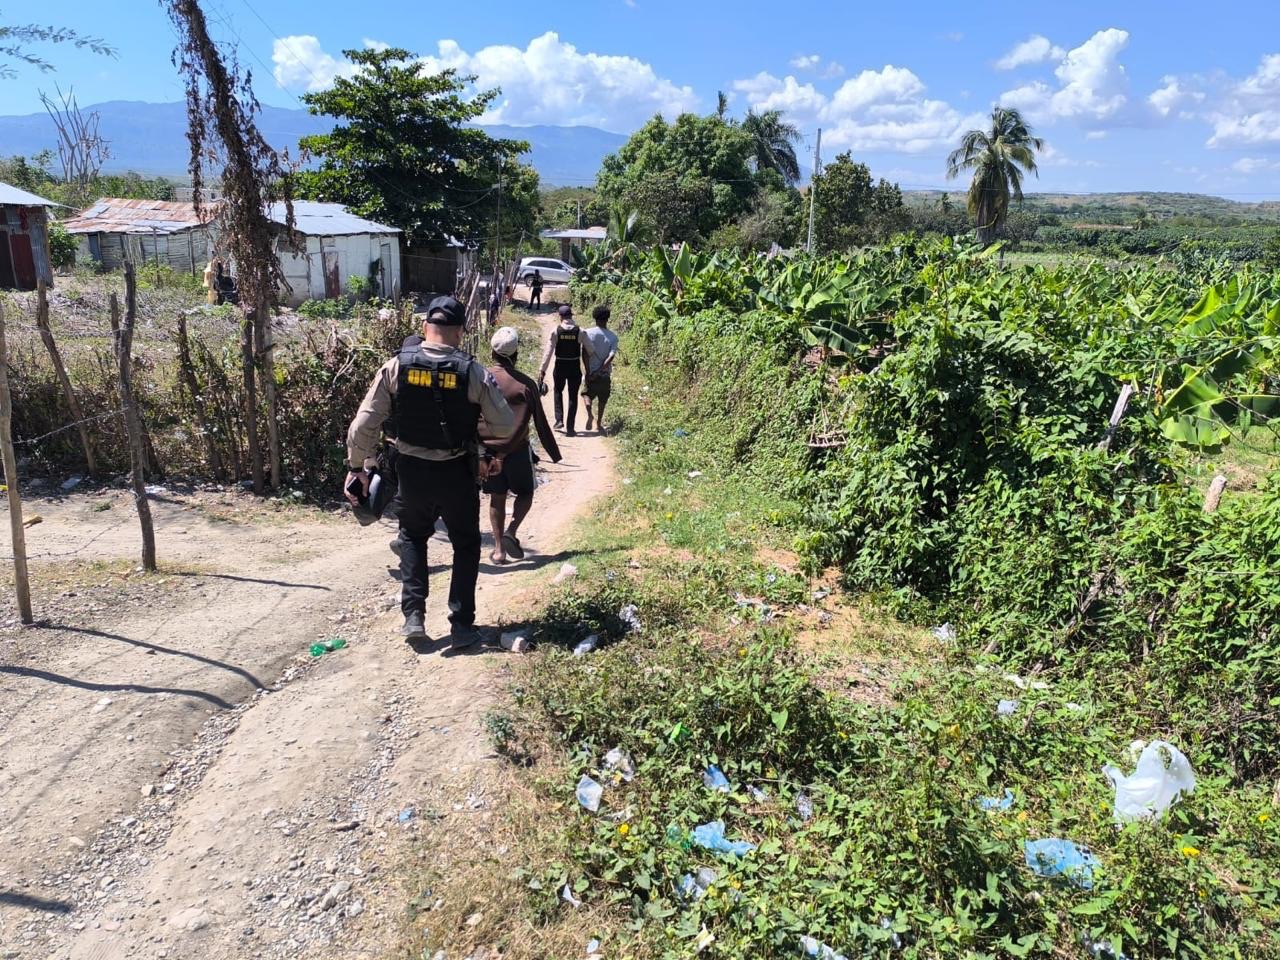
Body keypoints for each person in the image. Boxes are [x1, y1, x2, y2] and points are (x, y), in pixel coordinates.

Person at [345, 295, 515, 644]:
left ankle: (414, 617)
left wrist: (356, 467)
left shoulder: (396, 366)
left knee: (412, 537)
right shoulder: (473, 371)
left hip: (411, 471)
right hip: (456, 471)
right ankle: (462, 625)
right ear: (460, 332)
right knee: (465, 544)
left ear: (425, 328)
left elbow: (362, 425)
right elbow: (503, 425)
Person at [479, 326, 562, 565]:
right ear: (515, 355)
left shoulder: (482, 378)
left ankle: (498, 550)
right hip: (517, 451)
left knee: (497, 496)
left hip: (489, 452)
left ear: (492, 352)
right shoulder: (525, 385)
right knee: (525, 492)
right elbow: (540, 422)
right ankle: (511, 532)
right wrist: (553, 452)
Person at [538, 304, 583, 435]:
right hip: (574, 366)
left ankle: (559, 420)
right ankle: (570, 427)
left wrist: (543, 370)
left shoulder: (556, 331)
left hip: (560, 366)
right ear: (571, 316)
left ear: (560, 317)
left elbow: (548, 352)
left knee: (558, 391)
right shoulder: (580, 331)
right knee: (573, 395)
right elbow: (589, 349)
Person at [581, 304, 619, 434]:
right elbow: (611, 356)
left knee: (586, 395)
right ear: (607, 319)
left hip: (590, 373)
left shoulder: (588, 333)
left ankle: (589, 414)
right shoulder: (613, 337)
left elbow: (584, 353)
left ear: (595, 317)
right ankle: (598, 422)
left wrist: (588, 372)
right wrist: (601, 370)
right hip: (604, 375)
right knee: (603, 400)